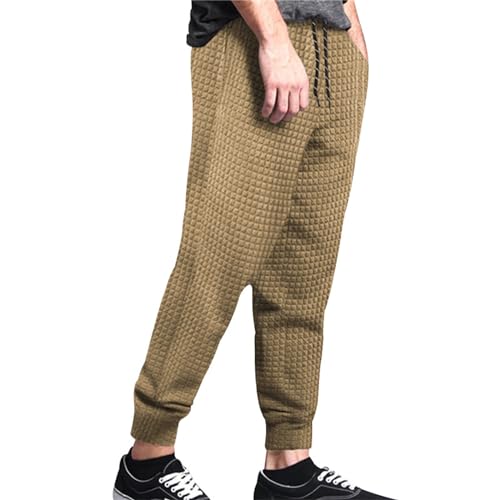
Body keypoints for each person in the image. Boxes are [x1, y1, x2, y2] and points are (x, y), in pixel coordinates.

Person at [113, 1, 396, 499]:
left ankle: (289, 467)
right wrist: (273, 38)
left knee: (302, 276)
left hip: (334, 49)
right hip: (252, 36)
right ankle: (147, 463)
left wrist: (353, 34)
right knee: (215, 261)